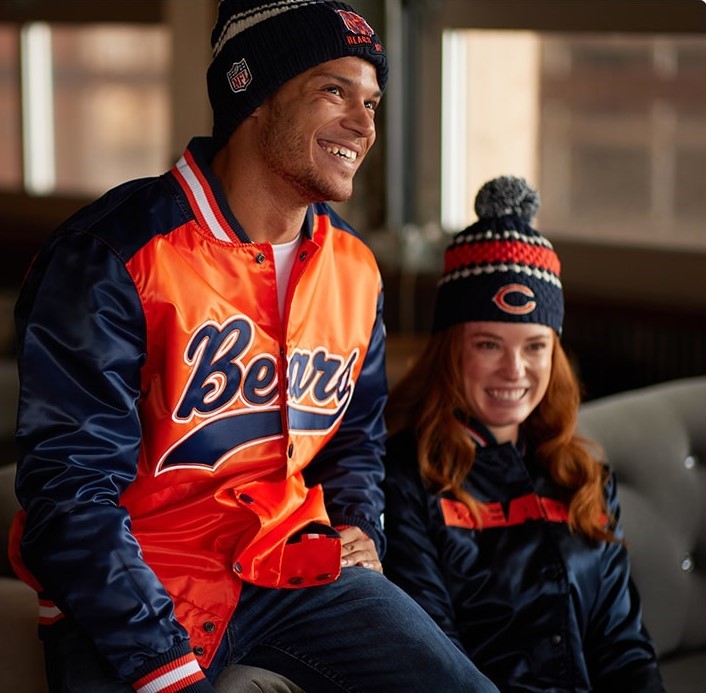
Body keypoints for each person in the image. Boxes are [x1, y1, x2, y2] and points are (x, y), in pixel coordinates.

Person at [8, 2, 498, 692]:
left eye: (372, 102)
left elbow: (355, 436)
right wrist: (163, 665)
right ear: (253, 96)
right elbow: (71, 494)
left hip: (292, 568)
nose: (363, 125)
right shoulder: (110, 254)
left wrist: (359, 523)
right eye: (334, 91)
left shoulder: (354, 268)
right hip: (134, 590)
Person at [382, 175, 666, 692]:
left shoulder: (583, 475)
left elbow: (624, 648)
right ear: (452, 350)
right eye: (489, 344)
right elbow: (434, 663)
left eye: (534, 346)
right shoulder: (404, 477)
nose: (515, 370)